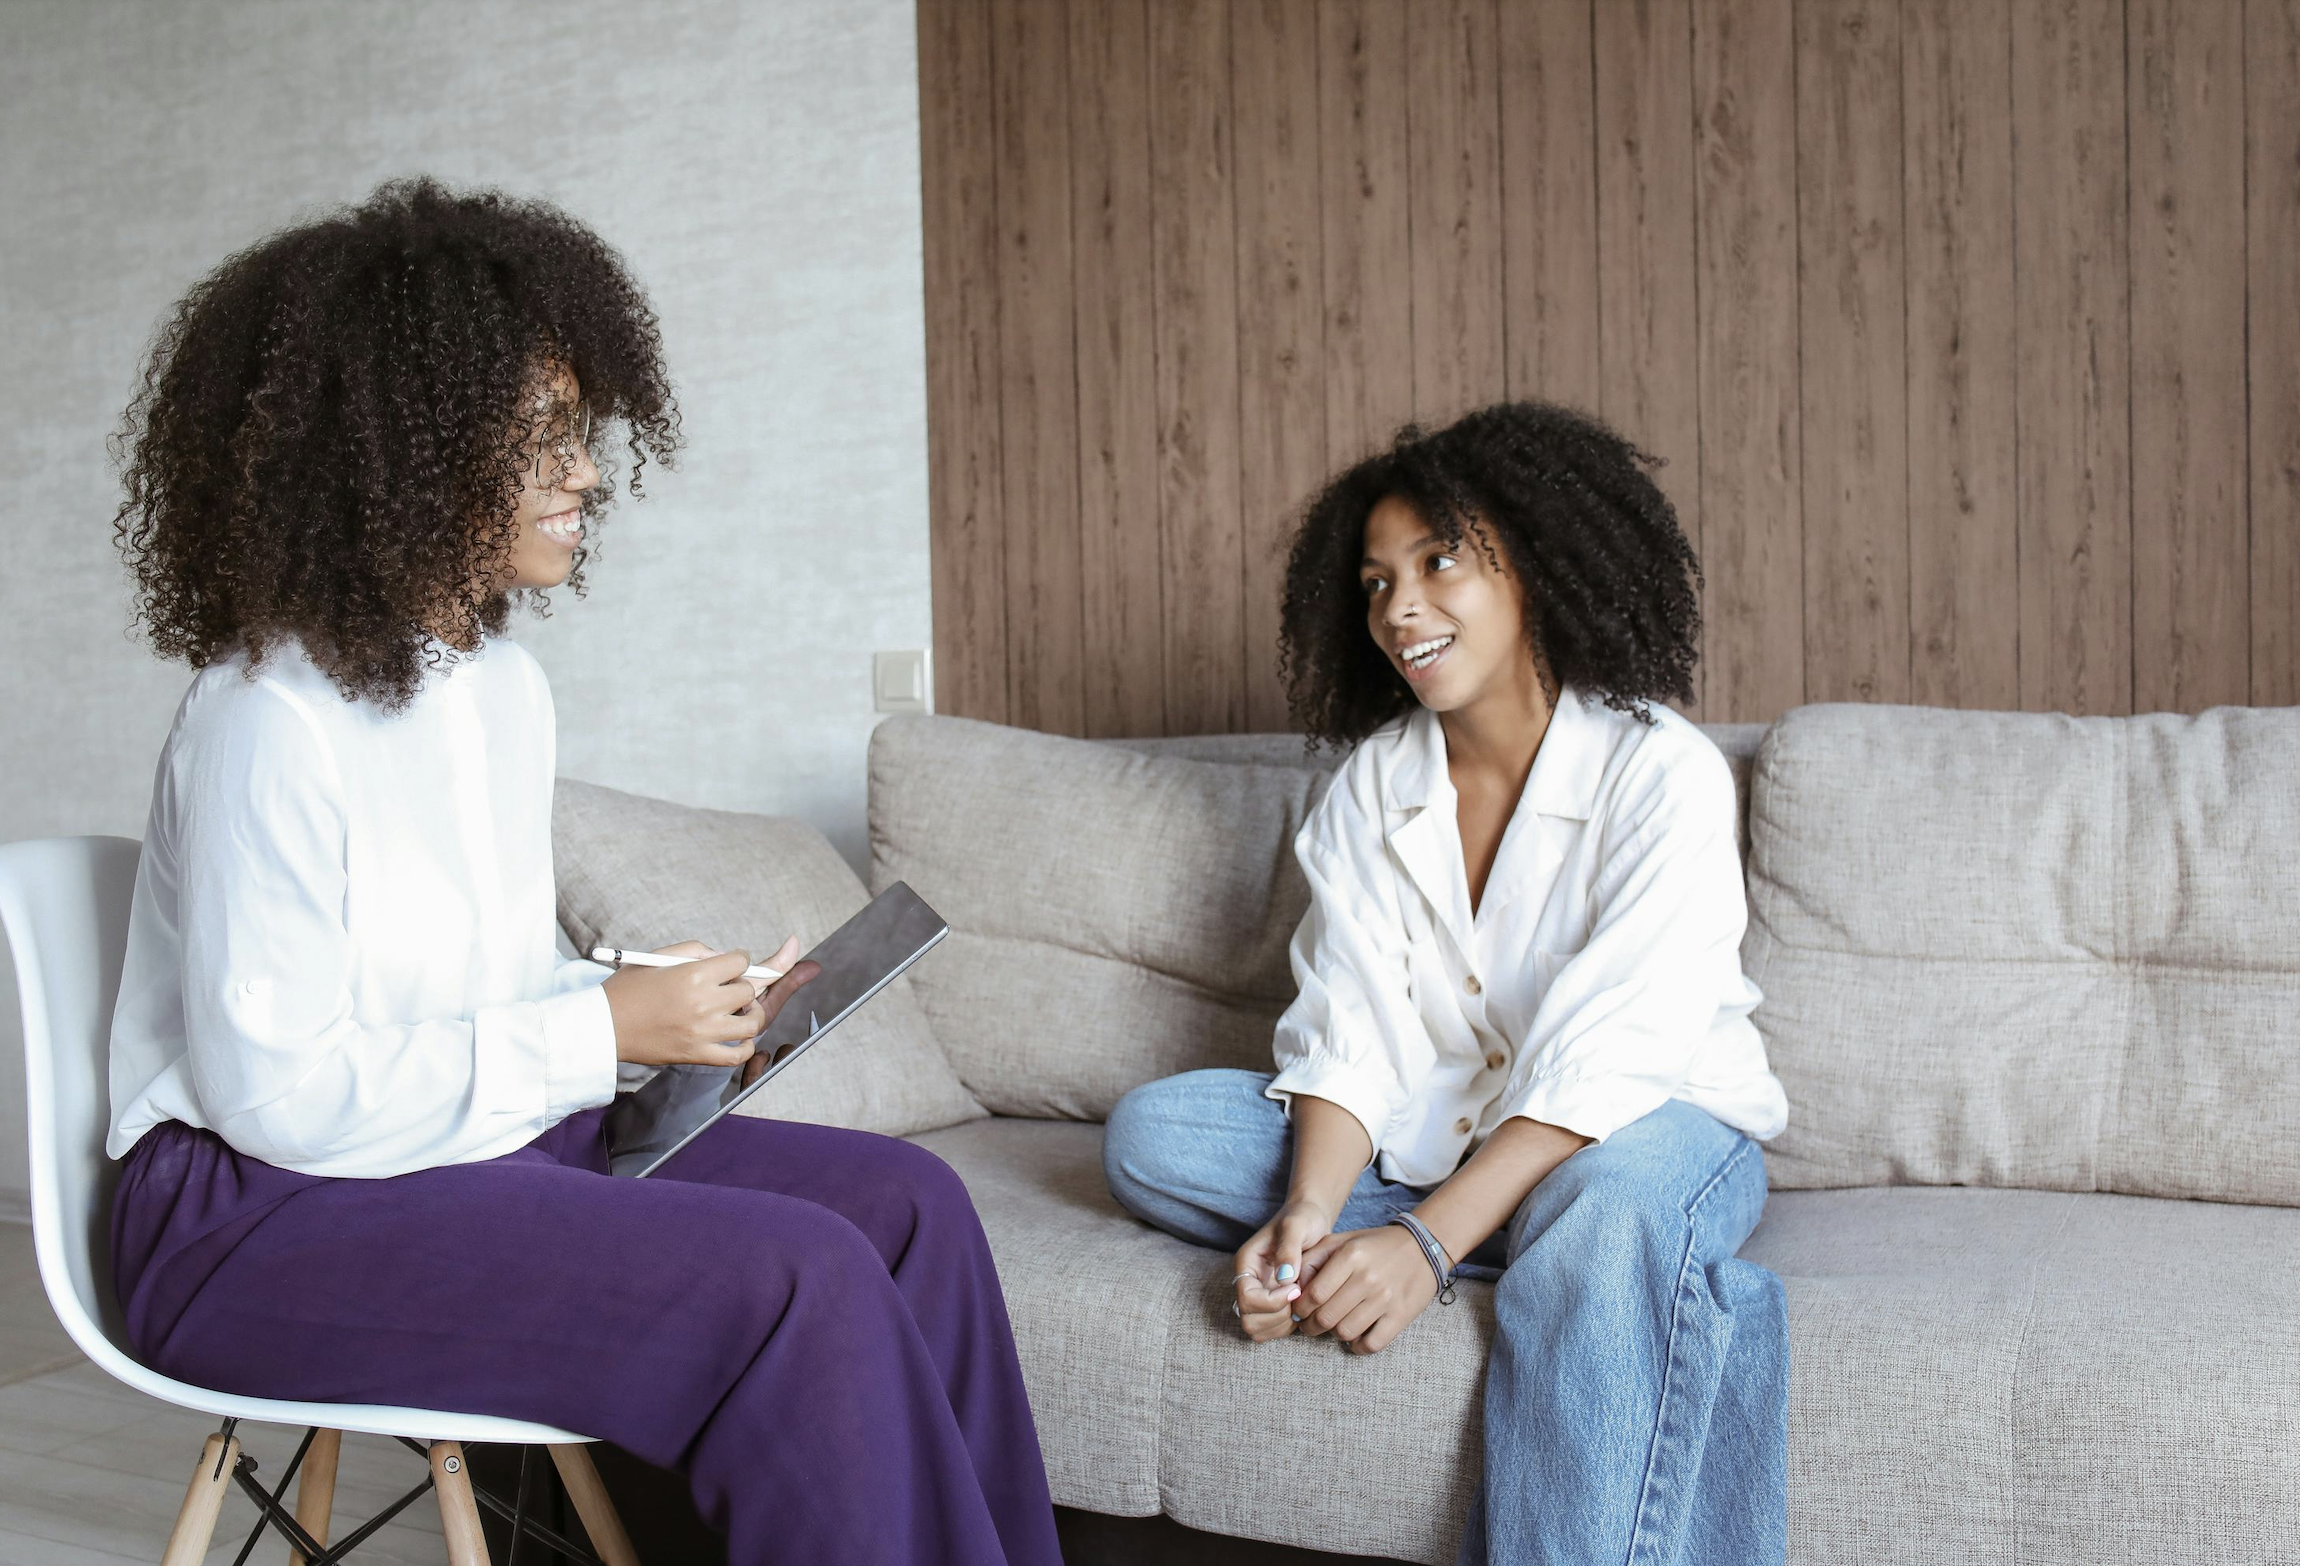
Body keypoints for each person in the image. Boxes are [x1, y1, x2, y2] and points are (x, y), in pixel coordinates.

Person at [104, 177, 1062, 1566]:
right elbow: (283, 1095)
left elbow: (463, 983)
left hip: (443, 1151)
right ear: (404, 452)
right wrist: (596, 1031)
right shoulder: (268, 719)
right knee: (795, 1281)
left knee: (912, 1207)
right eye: (545, 437)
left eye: (585, 432)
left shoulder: (498, 683)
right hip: (253, 1216)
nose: (592, 473)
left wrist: (639, 1009)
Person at [1101, 403, 1791, 1566]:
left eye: (1438, 563)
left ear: (1535, 561)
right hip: (1437, 1143)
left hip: (1651, 1126)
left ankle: (1585, 1252)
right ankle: (1601, 1273)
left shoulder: (1657, 770)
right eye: (1374, 583)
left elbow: (1609, 1060)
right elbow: (1347, 1027)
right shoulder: (1374, 788)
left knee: (1610, 1203)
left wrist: (1422, 1248)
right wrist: (1308, 1221)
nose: (1400, 608)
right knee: (1156, 1134)